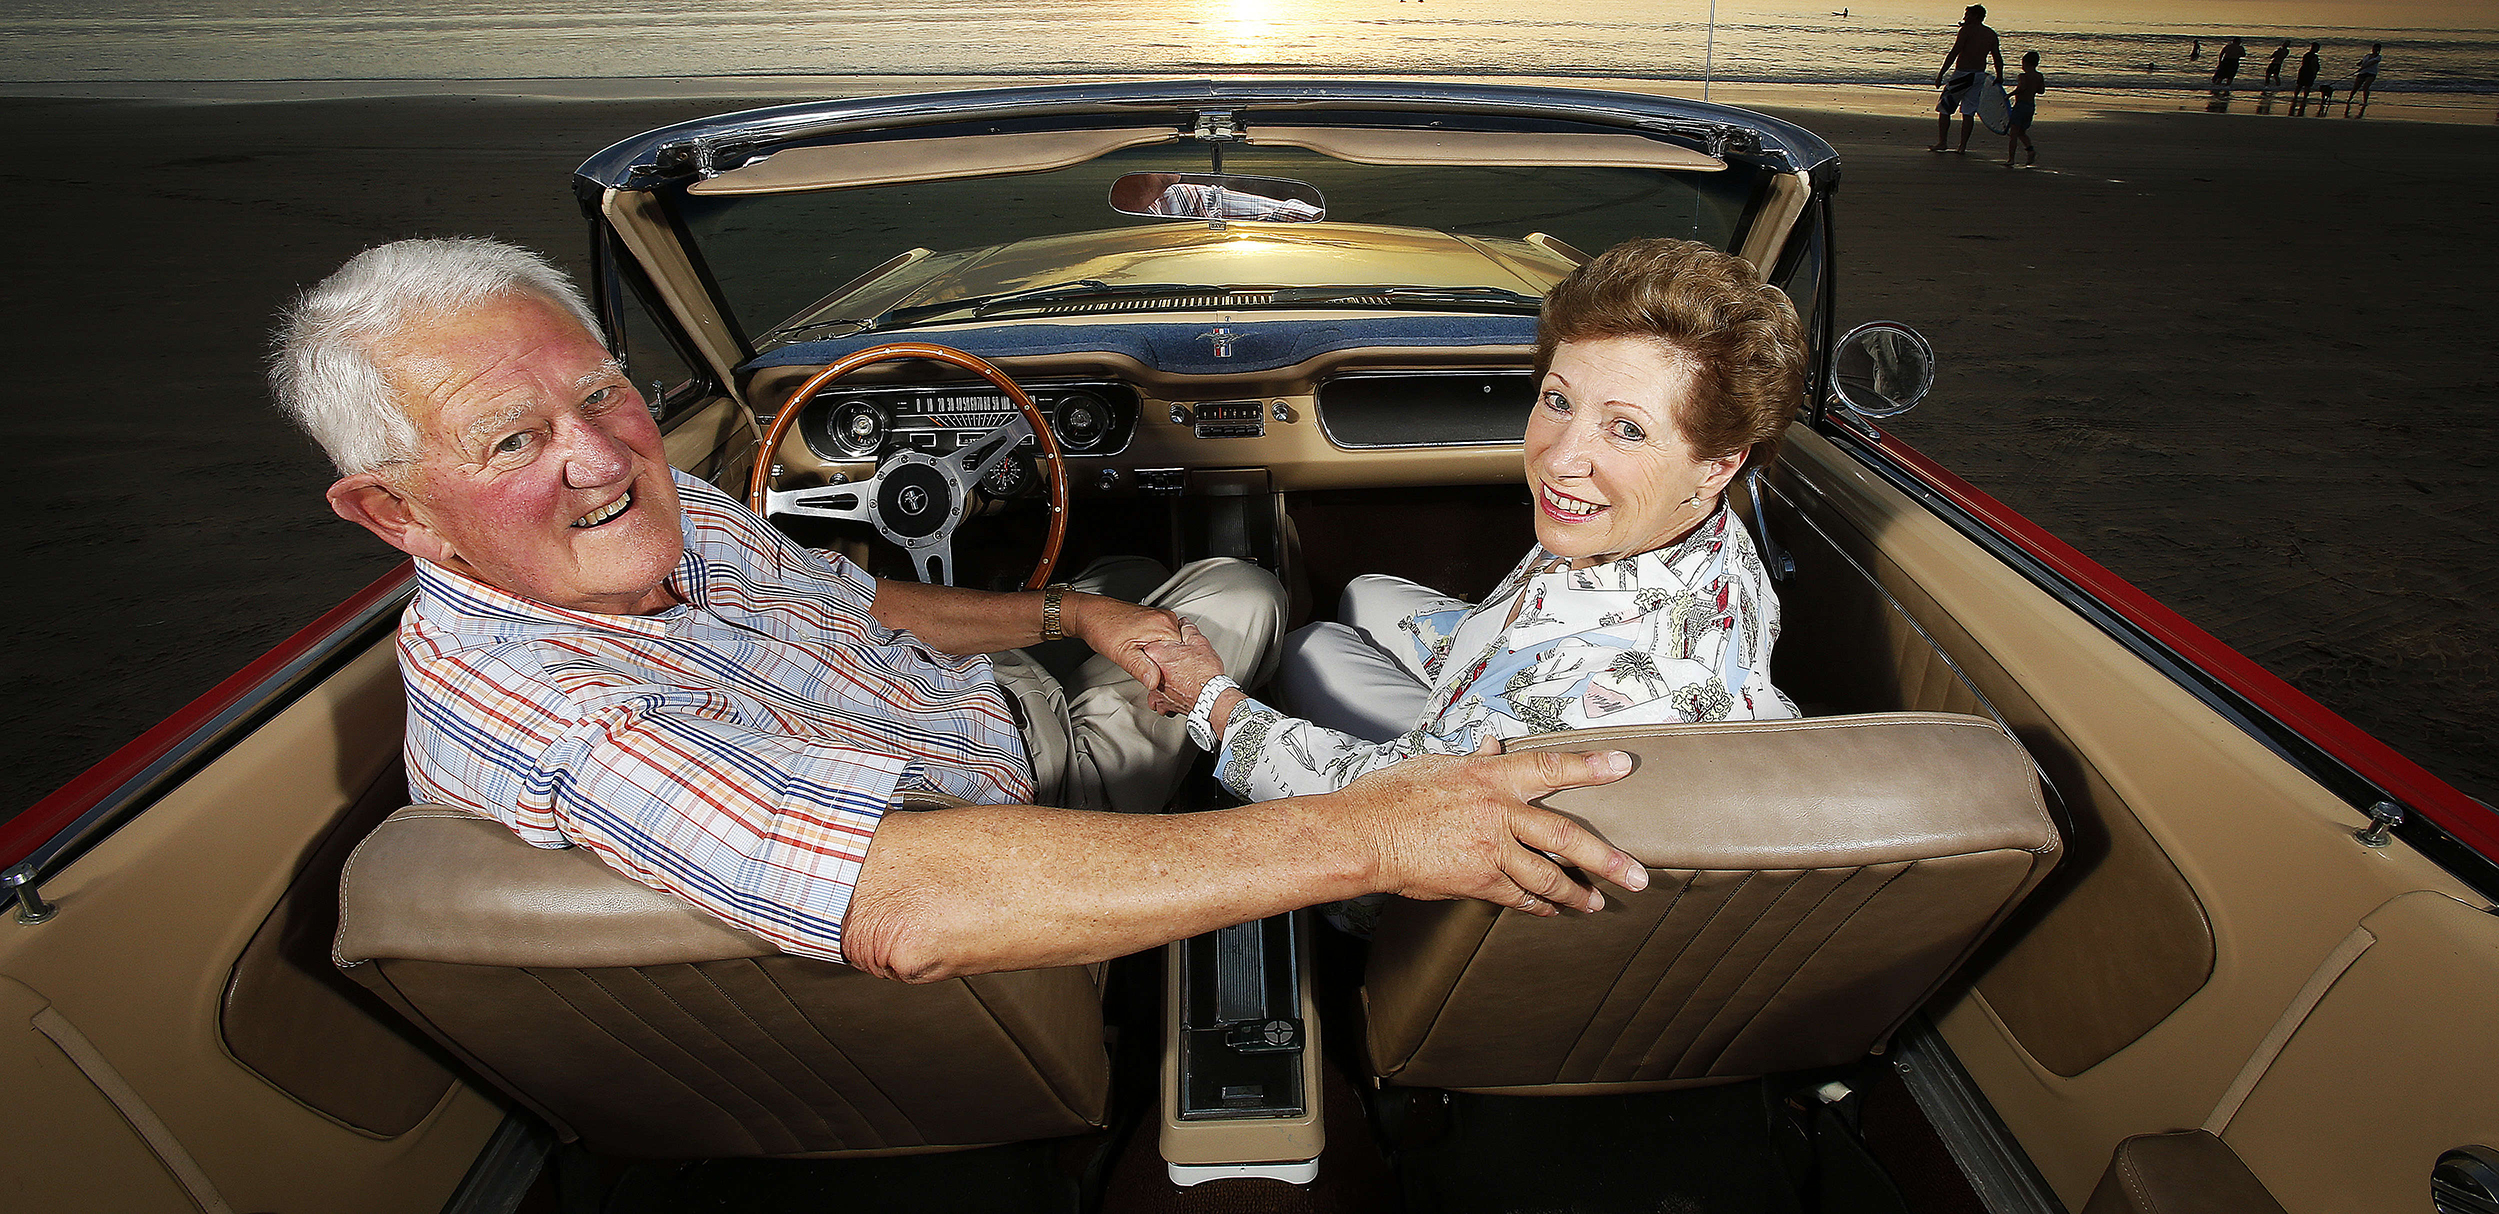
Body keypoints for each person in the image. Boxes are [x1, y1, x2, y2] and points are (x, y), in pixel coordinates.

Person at [270, 239, 1648, 981]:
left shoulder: (669, 517)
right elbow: (907, 902)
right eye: (510, 441)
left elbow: (857, 595)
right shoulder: (571, 721)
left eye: (601, 394)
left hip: (959, 701)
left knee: (1138, 599)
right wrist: (1373, 827)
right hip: (1012, 794)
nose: (598, 456)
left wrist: (1070, 614)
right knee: (1234, 587)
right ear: (393, 510)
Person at [1139, 239, 1805, 817]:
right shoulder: (1702, 533)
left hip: (1418, 809)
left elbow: (1389, 810)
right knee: (1367, 591)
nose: (1559, 457)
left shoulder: (1565, 701)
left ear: (1718, 463)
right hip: (1508, 669)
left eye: (1625, 428)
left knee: (1307, 643)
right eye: (1557, 400)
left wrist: (1211, 703)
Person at [1933, 3, 2004, 154]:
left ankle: (1942, 142)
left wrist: (1941, 73)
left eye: (1968, 15)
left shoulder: (1966, 31)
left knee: (1945, 108)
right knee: (1968, 111)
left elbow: (1954, 52)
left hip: (1962, 75)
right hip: (1978, 76)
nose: (1965, 18)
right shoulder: (1990, 34)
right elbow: (1997, 57)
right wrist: (1999, 75)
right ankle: (1962, 146)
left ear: (1976, 17)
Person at [2007, 51, 2045, 167]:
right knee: (2021, 132)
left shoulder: (2023, 76)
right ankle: (2030, 150)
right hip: (2030, 106)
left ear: (2026, 63)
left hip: (2020, 105)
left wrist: (2009, 95)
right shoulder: (2039, 76)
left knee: (2013, 134)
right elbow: (2041, 91)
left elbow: (2021, 88)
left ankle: (2011, 159)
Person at [2348, 43, 2383, 117]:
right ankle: (2349, 100)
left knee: (2365, 87)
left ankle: (2365, 102)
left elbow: (2371, 63)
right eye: (2374, 48)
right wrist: (2359, 64)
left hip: (2371, 73)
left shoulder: (2378, 57)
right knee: (2355, 88)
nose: (2375, 50)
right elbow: (2361, 62)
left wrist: (2363, 66)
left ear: (2379, 50)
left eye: (2377, 49)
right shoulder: (2367, 55)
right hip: (2362, 72)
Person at [2292, 42, 2322, 113]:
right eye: (2317, 48)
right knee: (2307, 86)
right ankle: (2304, 98)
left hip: (2302, 70)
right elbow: (2313, 65)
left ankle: (2295, 97)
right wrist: (2314, 73)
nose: (2318, 50)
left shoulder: (2306, 55)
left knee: (2299, 85)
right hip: (2309, 72)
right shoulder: (2314, 56)